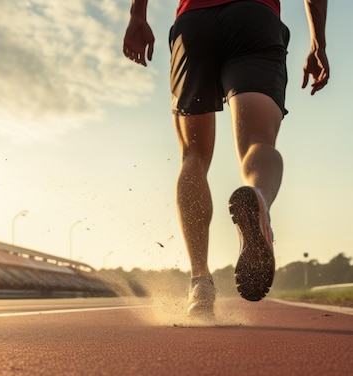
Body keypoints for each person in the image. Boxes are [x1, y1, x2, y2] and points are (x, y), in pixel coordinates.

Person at [123, 0, 329, 319]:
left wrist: (138, 14)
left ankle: (200, 284)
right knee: (257, 141)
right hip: (254, 18)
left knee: (193, 155)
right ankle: (258, 198)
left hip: (194, 24)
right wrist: (318, 42)